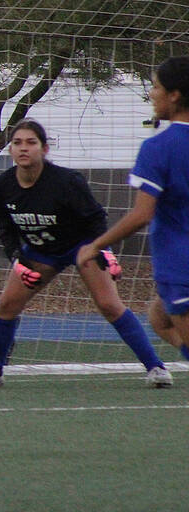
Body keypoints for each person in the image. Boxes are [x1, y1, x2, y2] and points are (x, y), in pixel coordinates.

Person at [0, 119, 171, 389]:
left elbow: (96, 218)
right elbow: (5, 228)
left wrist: (102, 251)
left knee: (109, 304)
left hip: (81, 246)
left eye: (31, 142)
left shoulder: (66, 181)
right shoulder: (3, 186)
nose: (23, 148)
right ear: (11, 150)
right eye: (17, 143)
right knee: (7, 305)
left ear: (44, 149)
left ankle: (156, 367)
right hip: (40, 251)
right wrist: (17, 257)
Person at [76, 56, 189, 367]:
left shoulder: (158, 148)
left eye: (156, 87)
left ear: (174, 95)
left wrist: (96, 245)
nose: (152, 94)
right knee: (159, 317)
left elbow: (142, 215)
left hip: (180, 266)